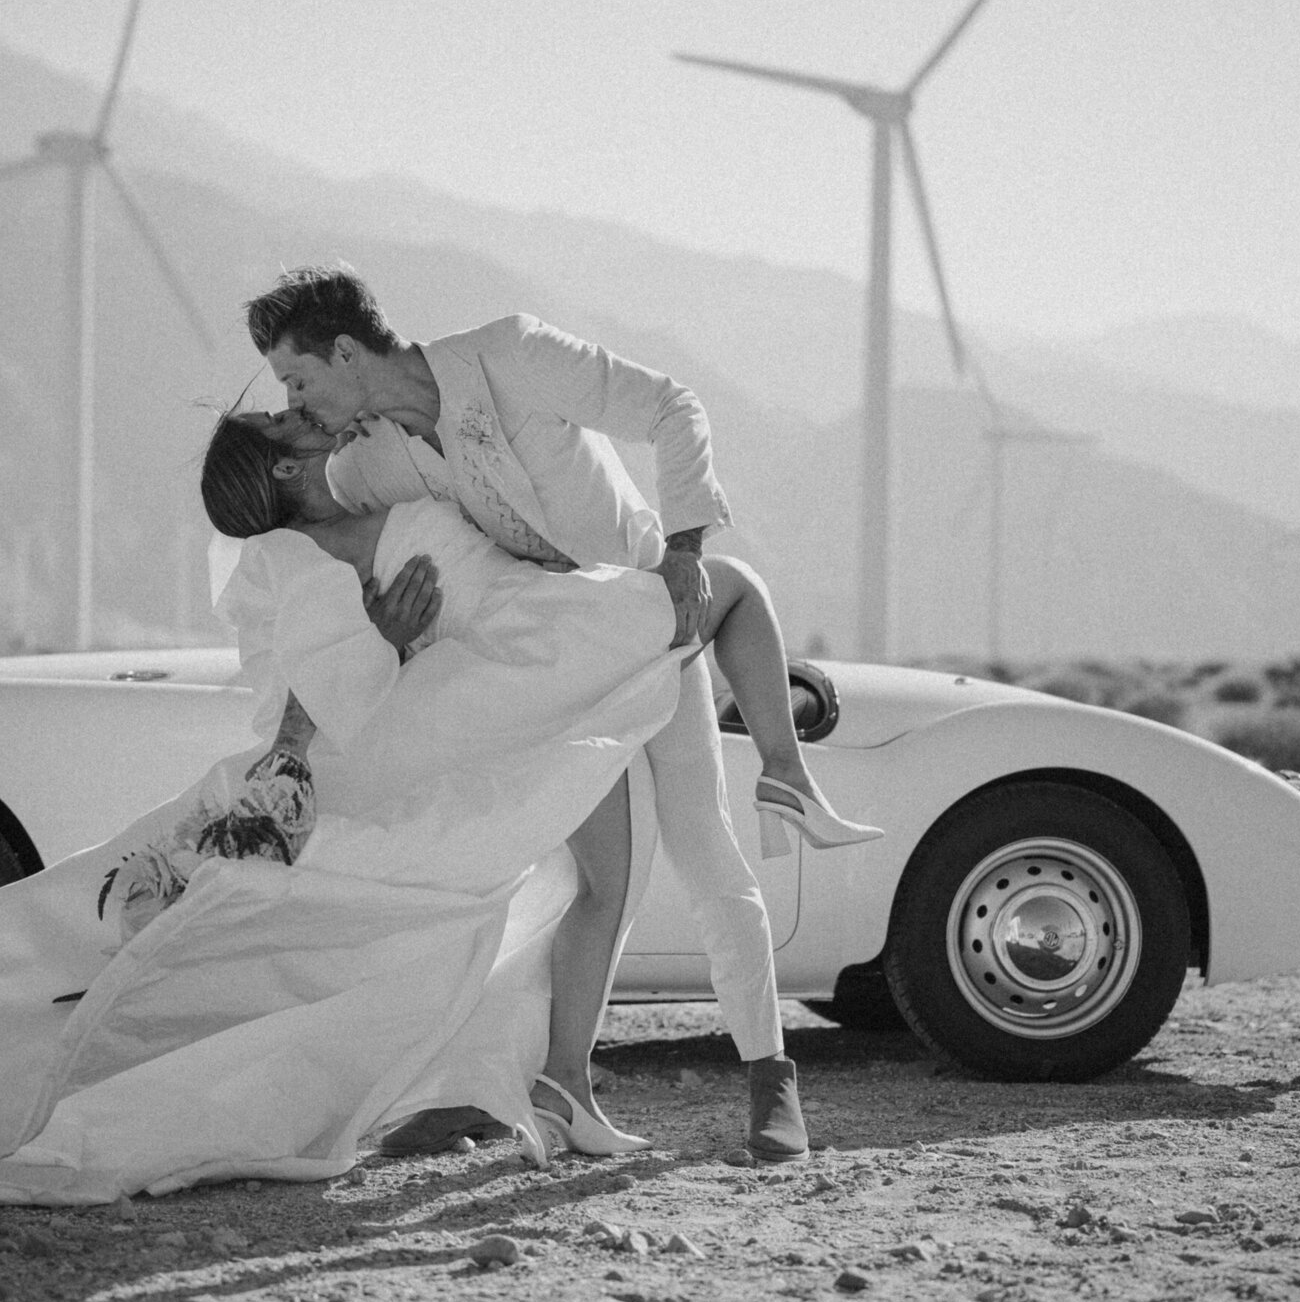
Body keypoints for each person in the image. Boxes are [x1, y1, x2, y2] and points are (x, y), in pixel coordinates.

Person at [0, 412, 696, 1216]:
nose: (312, 421)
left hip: (508, 694)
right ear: (286, 470)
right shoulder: (291, 562)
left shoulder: (385, 492)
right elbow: (329, 699)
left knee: (461, 909)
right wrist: (392, 640)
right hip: (399, 747)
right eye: (293, 425)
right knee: (312, 935)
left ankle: (496, 1085)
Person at [250, 265, 878, 1165]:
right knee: (577, 884)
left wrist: (686, 549)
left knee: (703, 849)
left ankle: (772, 1091)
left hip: (654, 616)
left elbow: (674, 409)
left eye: (299, 378)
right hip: (558, 668)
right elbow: (339, 558)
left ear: (347, 350)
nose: (299, 401)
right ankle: (526, 1088)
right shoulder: (369, 464)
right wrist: (376, 639)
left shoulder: (512, 353)